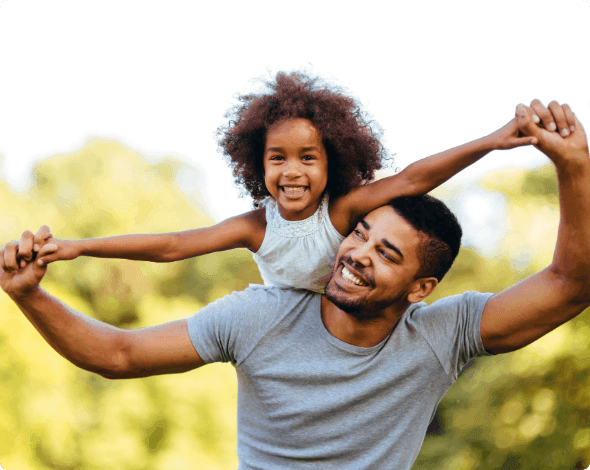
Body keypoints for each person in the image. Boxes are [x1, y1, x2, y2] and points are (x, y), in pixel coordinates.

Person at [2, 100, 588, 470]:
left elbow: (569, 283)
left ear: (419, 289)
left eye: (385, 254)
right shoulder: (260, 316)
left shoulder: (441, 335)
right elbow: (118, 352)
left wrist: (574, 168)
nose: (355, 254)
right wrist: (29, 293)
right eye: (359, 234)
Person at [19, 72, 537, 293]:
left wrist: (490, 141)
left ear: (332, 161)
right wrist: (79, 247)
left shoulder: (341, 213)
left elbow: (414, 177)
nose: (292, 172)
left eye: (308, 157)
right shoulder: (255, 227)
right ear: (257, 164)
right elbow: (174, 246)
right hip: (285, 336)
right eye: (277, 158)